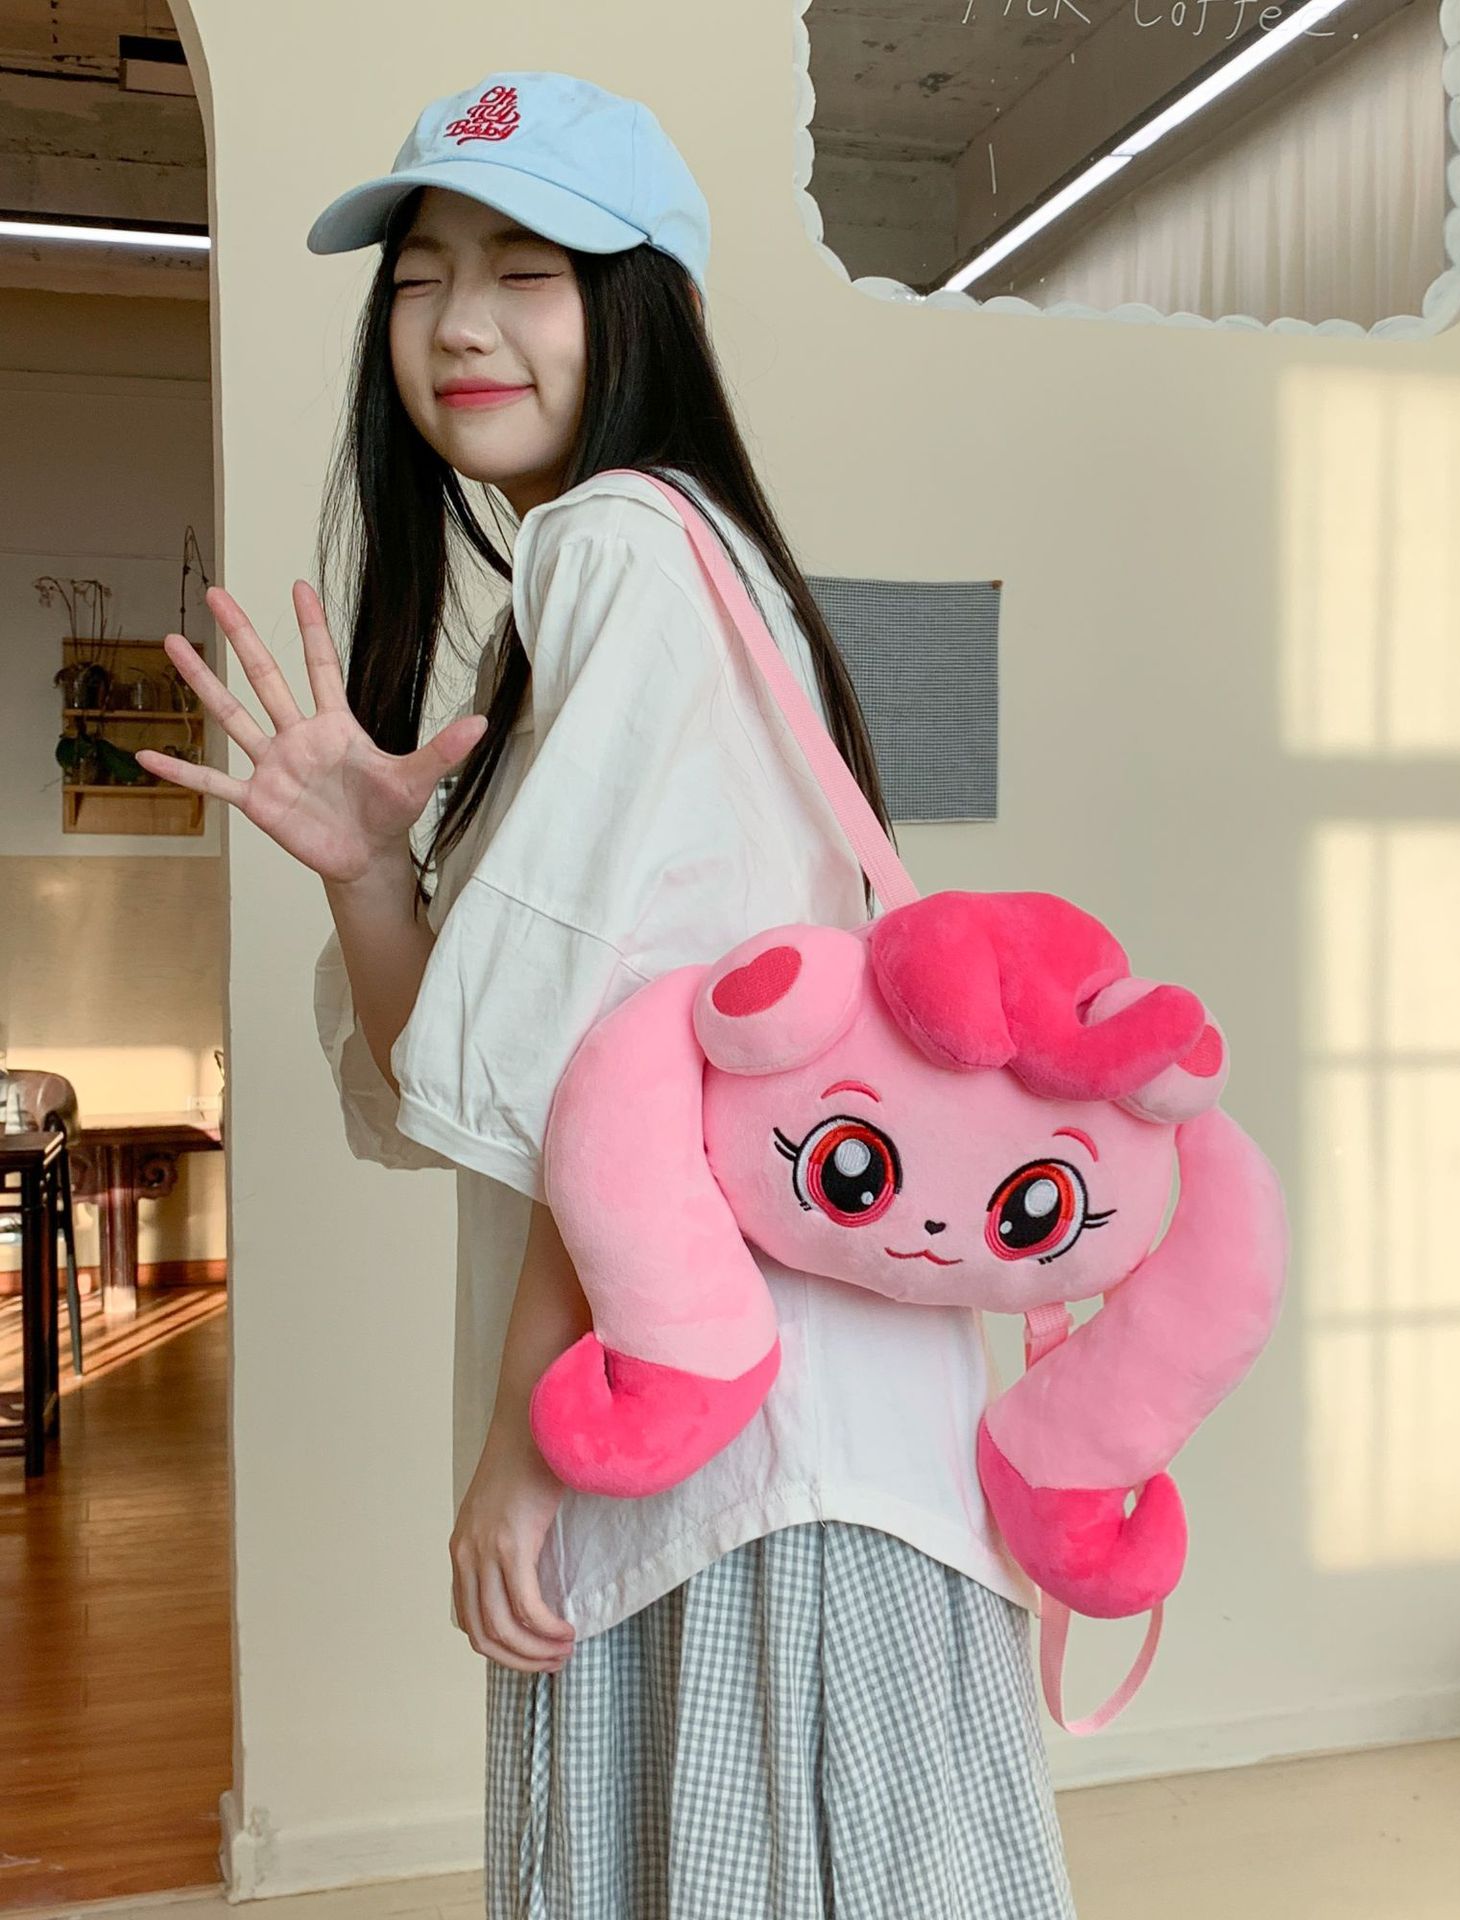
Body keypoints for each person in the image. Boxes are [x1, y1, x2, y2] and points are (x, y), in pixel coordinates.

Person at [137, 69, 1077, 1920]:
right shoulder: (653, 568)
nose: (459, 323)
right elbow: (462, 1078)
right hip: (773, 1434)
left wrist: (524, 1451)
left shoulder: (622, 548)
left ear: (643, 305)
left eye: (527, 267)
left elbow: (614, 1075)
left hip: (727, 1451)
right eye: (421, 274)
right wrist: (366, 869)